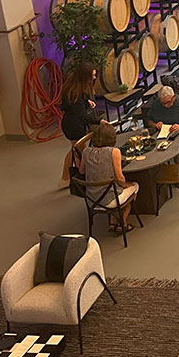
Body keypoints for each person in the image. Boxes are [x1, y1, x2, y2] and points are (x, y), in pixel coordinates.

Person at [79, 122, 138, 233]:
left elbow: (81, 171)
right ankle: (123, 223)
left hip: (92, 199)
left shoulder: (86, 151)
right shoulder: (114, 152)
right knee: (135, 186)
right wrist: (126, 185)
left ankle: (112, 221)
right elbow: (120, 178)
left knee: (114, 190)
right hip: (110, 198)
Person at [59, 61, 108, 189]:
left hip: (70, 123)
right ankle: (74, 178)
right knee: (81, 151)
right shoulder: (76, 91)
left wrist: (87, 102)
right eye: (92, 75)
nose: (94, 78)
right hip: (74, 126)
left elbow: (71, 105)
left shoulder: (73, 87)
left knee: (76, 150)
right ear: (84, 76)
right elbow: (82, 115)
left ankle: (70, 178)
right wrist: (99, 120)